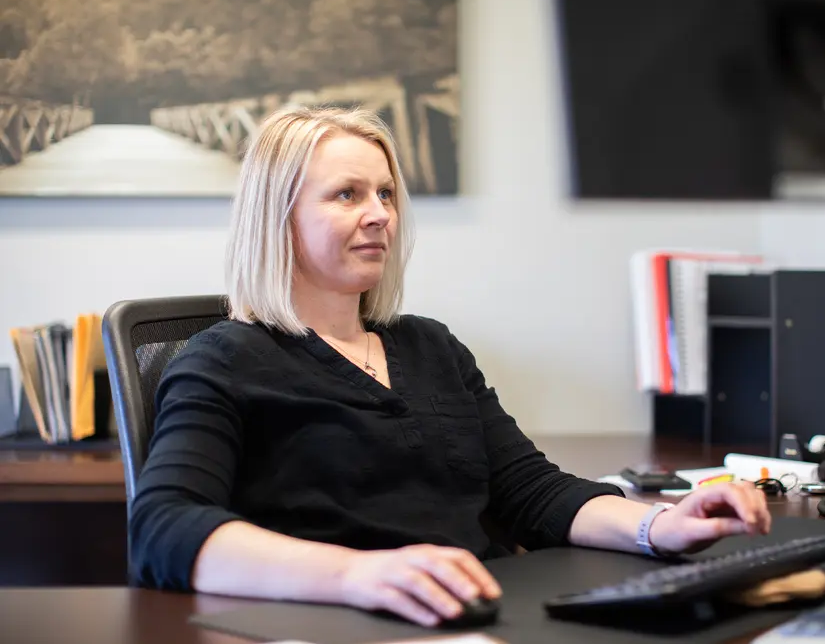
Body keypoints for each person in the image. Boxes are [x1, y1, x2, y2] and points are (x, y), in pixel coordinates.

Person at [131, 105, 772, 628]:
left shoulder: (430, 347)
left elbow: (534, 493)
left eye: (385, 193)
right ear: (280, 219)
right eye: (347, 194)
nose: (380, 213)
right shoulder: (223, 359)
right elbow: (164, 530)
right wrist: (358, 574)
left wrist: (661, 524)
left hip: (479, 614)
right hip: (341, 621)